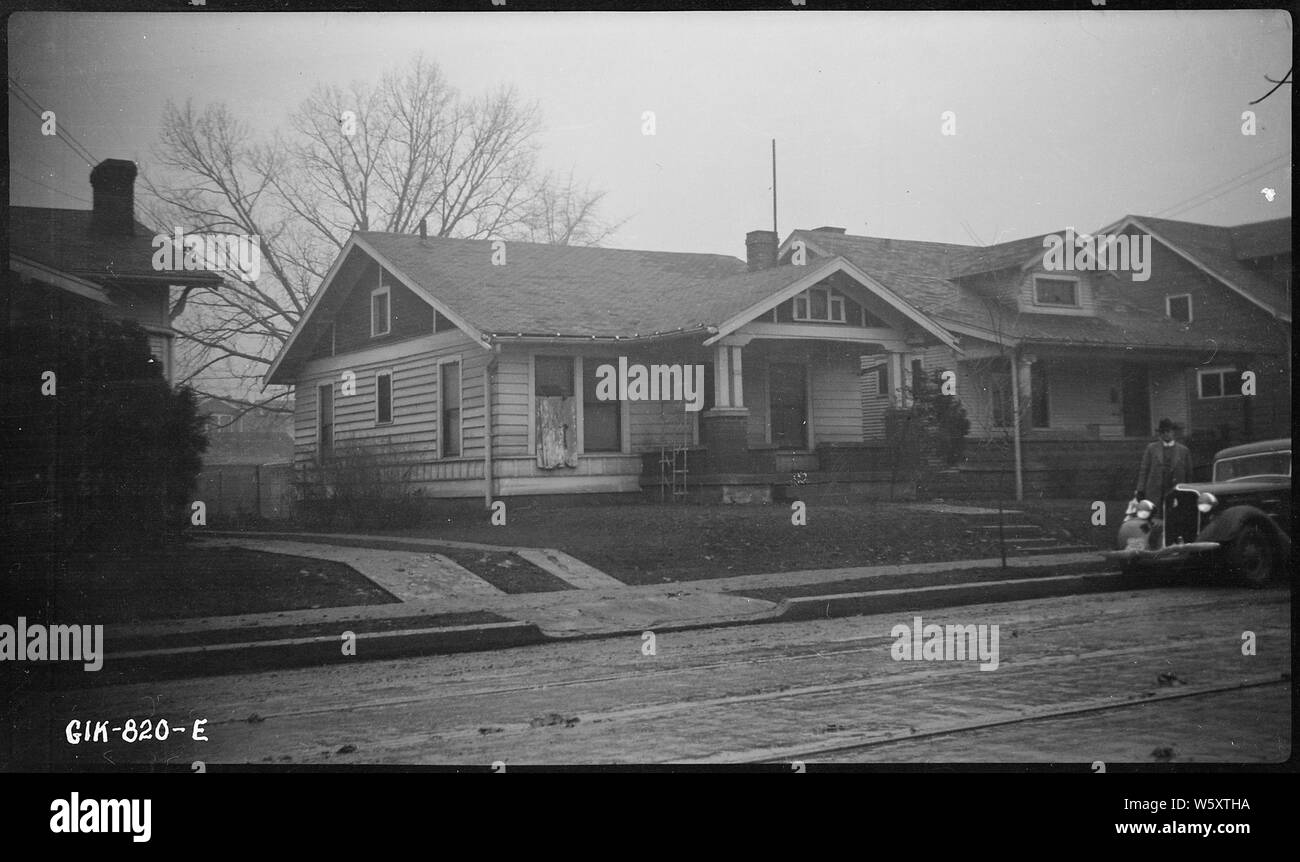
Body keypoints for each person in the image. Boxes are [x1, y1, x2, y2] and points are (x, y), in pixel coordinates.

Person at [1133, 418, 1192, 502]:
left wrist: (1188, 491)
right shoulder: (1151, 448)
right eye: (1162, 432)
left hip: (1177, 491)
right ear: (1160, 434)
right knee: (1155, 513)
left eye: (1168, 431)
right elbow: (1144, 470)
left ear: (1173, 432)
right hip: (1155, 491)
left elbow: (1189, 473)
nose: (1165, 434)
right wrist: (1140, 489)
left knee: (1176, 513)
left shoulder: (1184, 450)